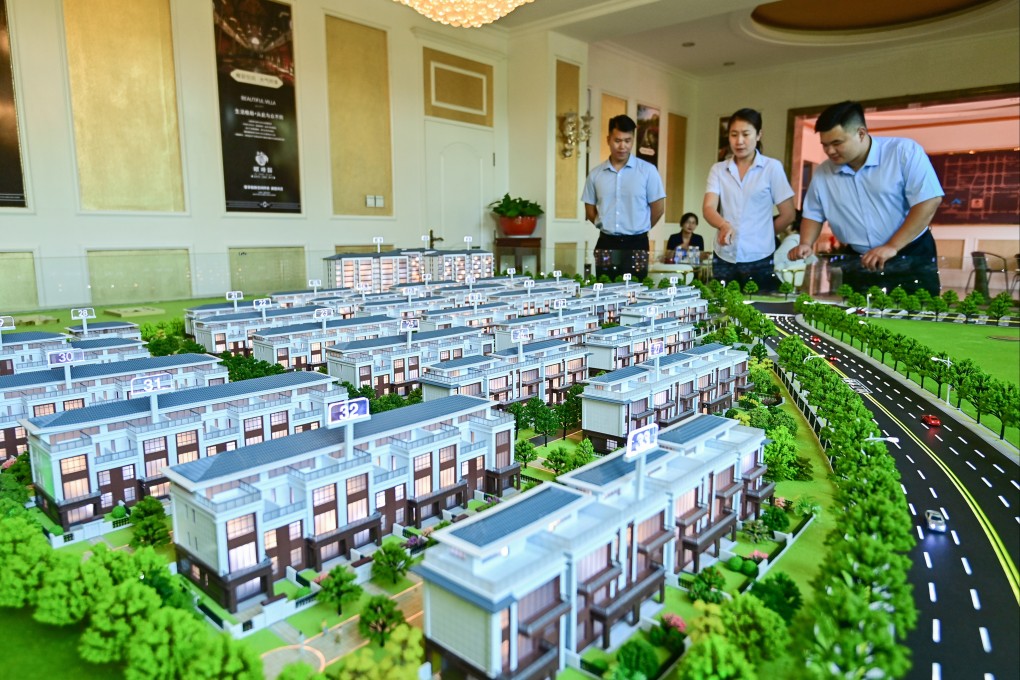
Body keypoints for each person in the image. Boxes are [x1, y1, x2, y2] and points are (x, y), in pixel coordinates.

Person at [790, 101, 943, 296]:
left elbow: (929, 201)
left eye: (837, 143)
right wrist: (805, 243)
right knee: (859, 320)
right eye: (825, 145)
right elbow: (813, 214)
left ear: (861, 133)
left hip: (910, 253)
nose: (829, 151)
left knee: (917, 315)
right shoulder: (823, 173)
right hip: (858, 260)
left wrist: (891, 246)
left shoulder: (903, 152)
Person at [703, 108, 795, 292]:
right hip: (724, 255)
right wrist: (723, 225)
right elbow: (708, 208)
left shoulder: (772, 167)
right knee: (721, 307)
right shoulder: (719, 169)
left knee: (759, 310)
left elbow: (788, 214)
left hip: (759, 257)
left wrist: (763, 233)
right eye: (733, 134)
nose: (739, 141)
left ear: (758, 135)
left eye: (746, 134)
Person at [582, 115, 666, 281]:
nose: (623, 146)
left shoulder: (648, 171)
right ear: (608, 139)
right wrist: (603, 224)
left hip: (637, 244)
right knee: (604, 289)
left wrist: (641, 228)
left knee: (636, 290)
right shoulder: (596, 174)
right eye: (618, 140)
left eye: (628, 141)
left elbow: (658, 208)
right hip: (606, 243)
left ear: (633, 140)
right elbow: (589, 209)